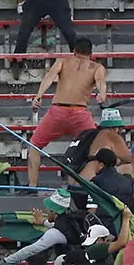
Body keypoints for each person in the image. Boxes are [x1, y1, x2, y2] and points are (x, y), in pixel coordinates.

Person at [26, 39, 106, 184]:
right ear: (91, 54)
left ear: (74, 51)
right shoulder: (96, 67)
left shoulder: (63, 61)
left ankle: (33, 185)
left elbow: (49, 77)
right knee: (95, 149)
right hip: (79, 113)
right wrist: (102, 95)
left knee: (34, 145)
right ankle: (90, 185)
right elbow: (100, 82)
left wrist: (38, 96)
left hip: (57, 111)